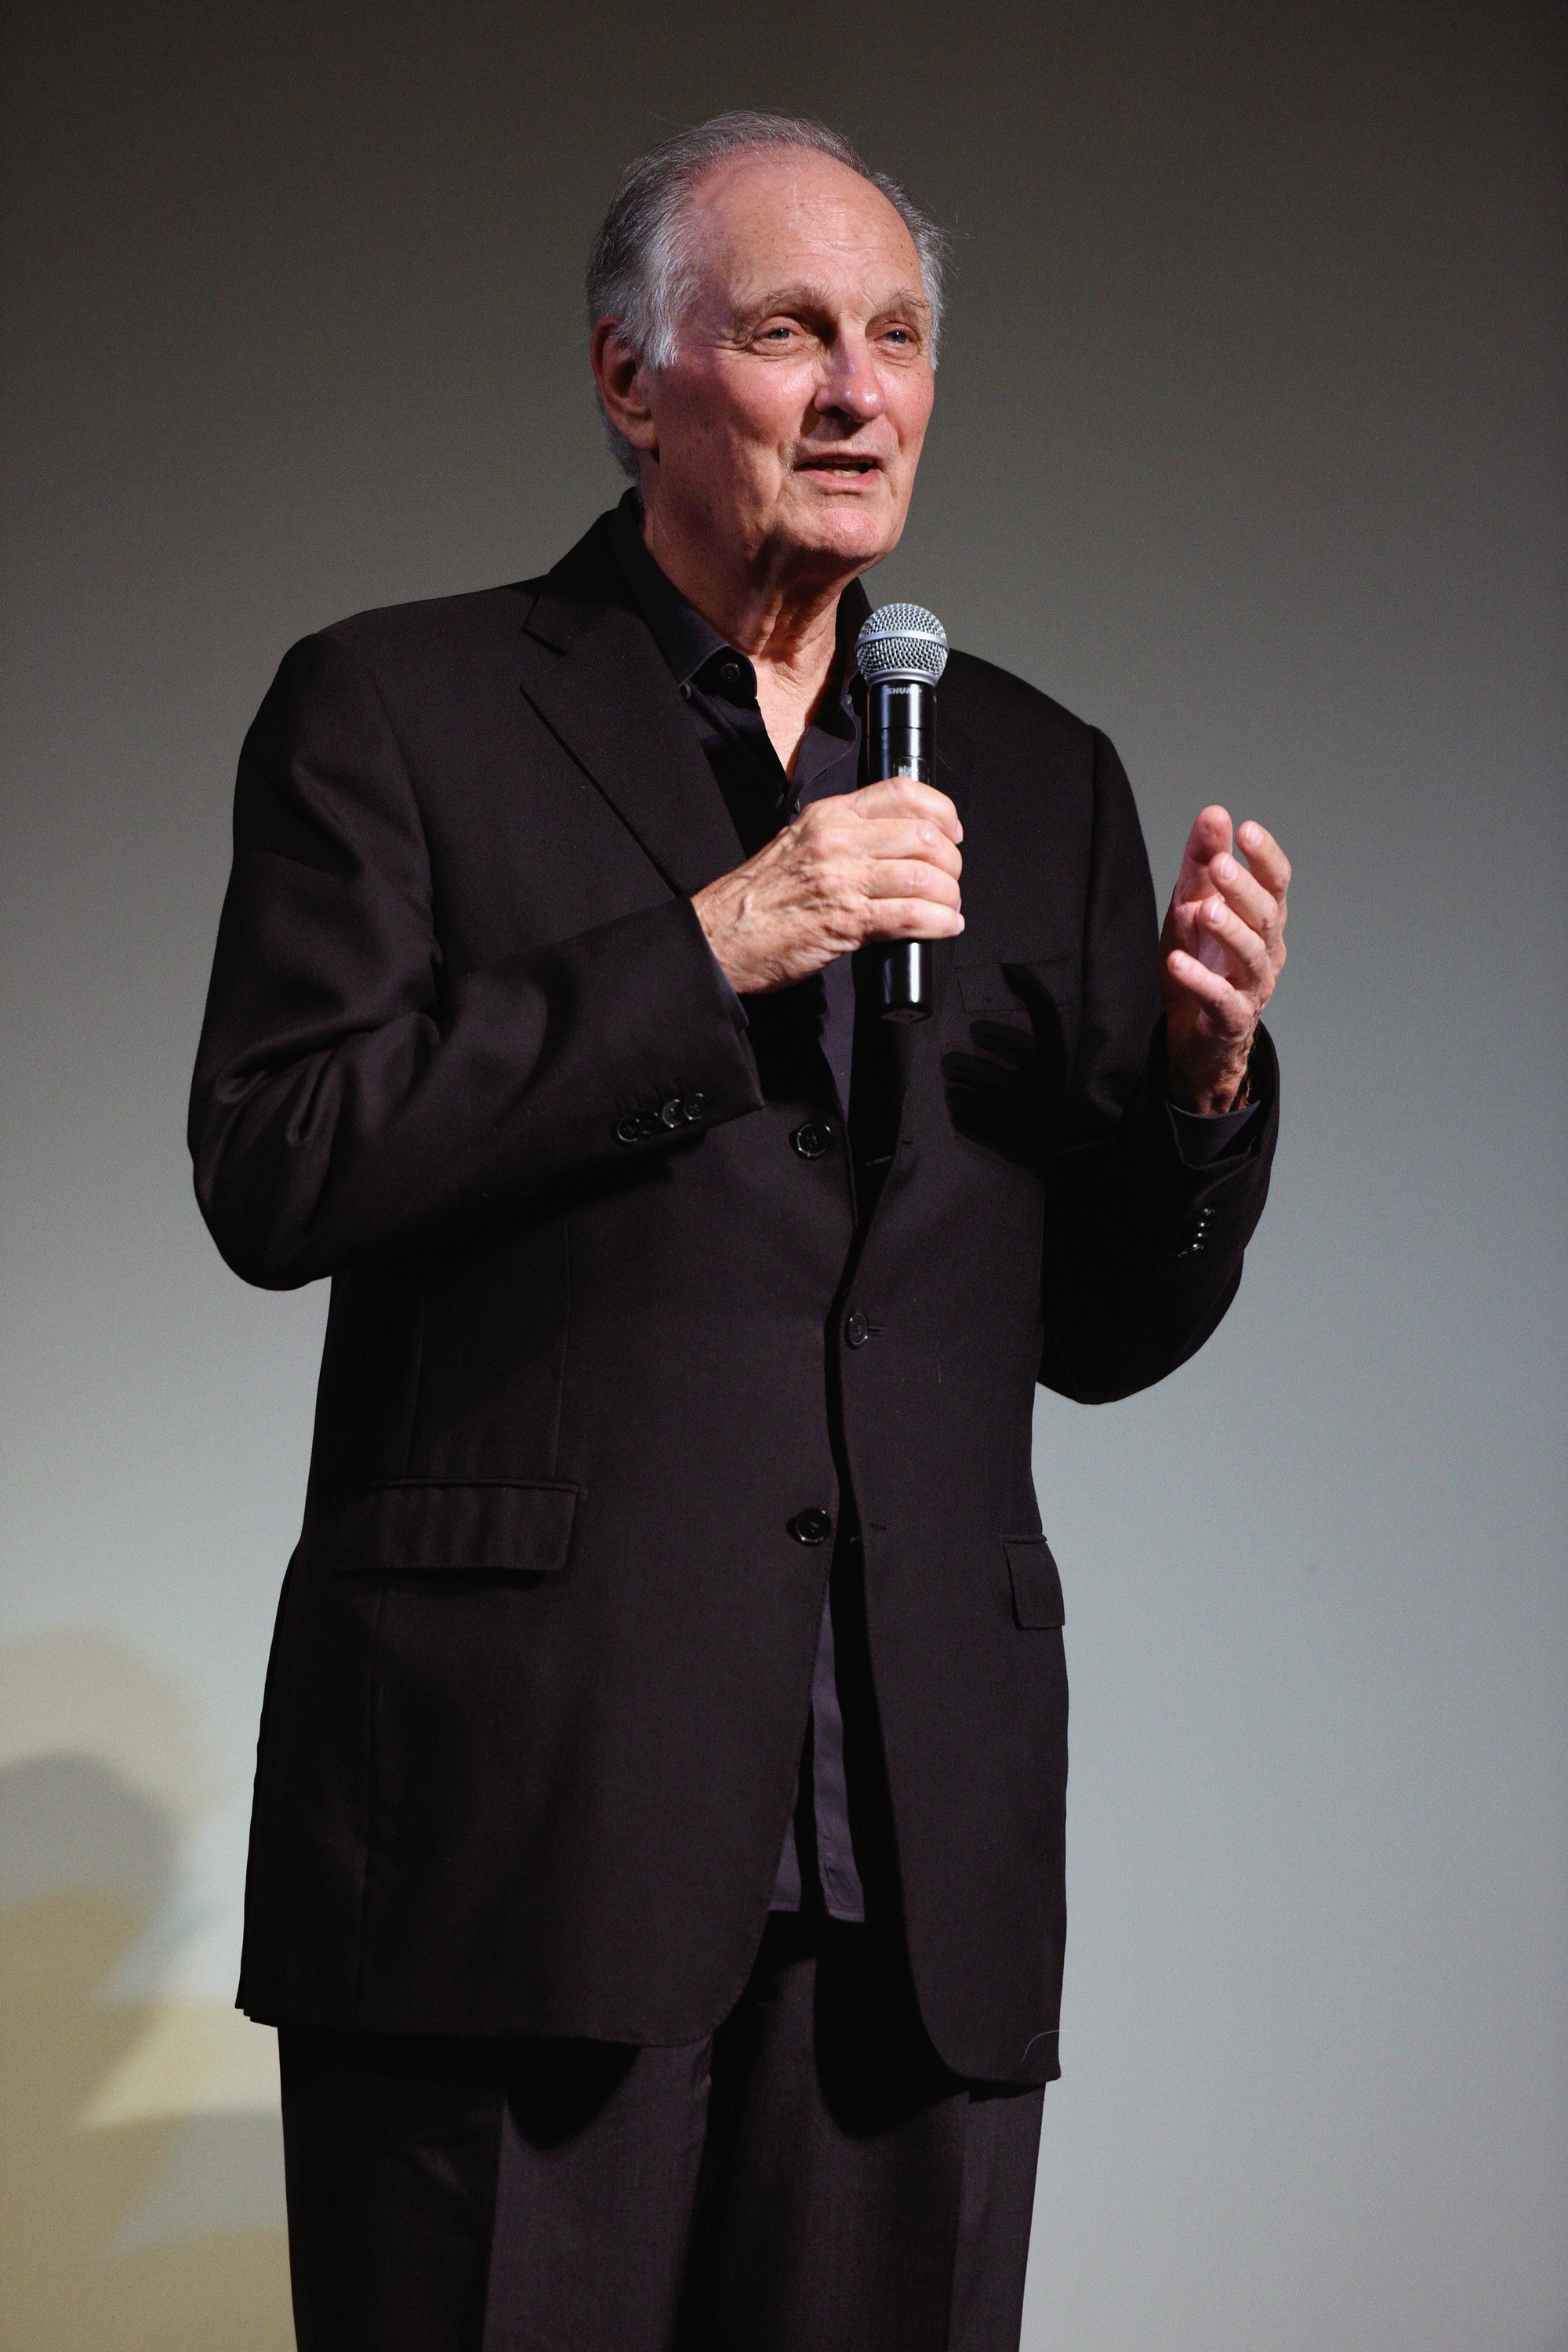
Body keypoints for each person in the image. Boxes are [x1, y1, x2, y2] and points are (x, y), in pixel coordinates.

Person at [190, 109, 1289, 2352]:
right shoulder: (399, 709)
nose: (858, 390)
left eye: (896, 337)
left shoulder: (1036, 768)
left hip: (915, 1849)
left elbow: (1101, 1329)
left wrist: (1204, 1100)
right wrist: (713, 944)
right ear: (631, 380)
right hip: (522, 1828)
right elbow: (280, 1160)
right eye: (791, 331)